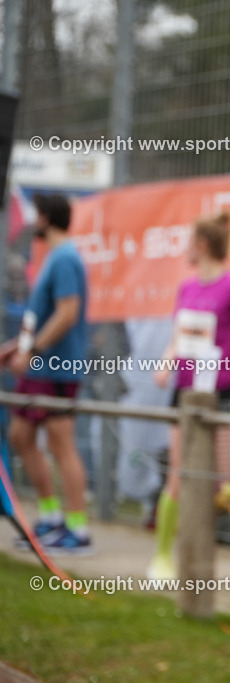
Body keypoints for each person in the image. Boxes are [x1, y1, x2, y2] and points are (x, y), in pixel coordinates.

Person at [147, 212, 230, 583]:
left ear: (202, 245)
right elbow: (179, 336)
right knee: (177, 477)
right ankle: (161, 558)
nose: (187, 248)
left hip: (224, 394)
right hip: (186, 394)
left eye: (190, 241)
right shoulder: (186, 288)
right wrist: (165, 363)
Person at [0, 194, 92, 554]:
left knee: (61, 443)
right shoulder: (53, 258)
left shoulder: (67, 258)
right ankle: (52, 518)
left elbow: (68, 313)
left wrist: (33, 351)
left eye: (37, 214)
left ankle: (78, 529)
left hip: (57, 366)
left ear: (47, 218)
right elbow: (40, 317)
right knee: (22, 436)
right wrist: (15, 349)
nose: (32, 221)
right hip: (38, 366)